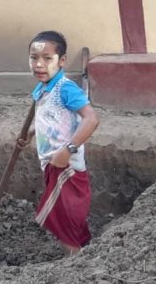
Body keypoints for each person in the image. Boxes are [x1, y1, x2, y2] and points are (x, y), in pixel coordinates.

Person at [21, 30, 100, 255]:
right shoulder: (44, 88)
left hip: (66, 167)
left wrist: (68, 149)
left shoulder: (65, 89)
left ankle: (73, 265)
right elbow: (52, 118)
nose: (38, 64)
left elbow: (91, 119)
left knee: (63, 221)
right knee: (68, 217)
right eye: (33, 58)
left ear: (62, 61)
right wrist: (33, 133)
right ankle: (86, 253)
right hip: (53, 163)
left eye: (47, 59)